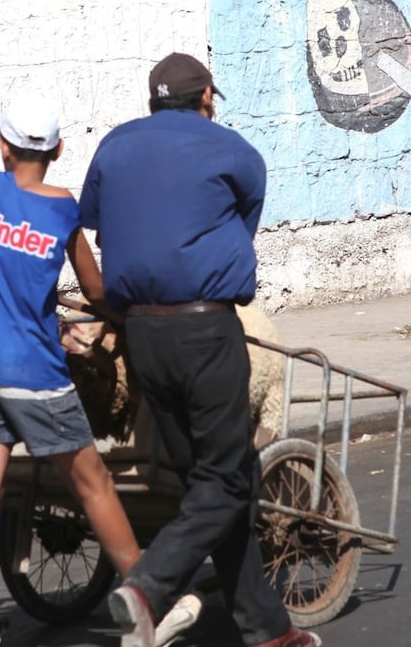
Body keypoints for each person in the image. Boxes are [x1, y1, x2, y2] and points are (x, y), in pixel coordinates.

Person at [80, 52, 322, 647]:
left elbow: (103, 230)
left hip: (143, 333)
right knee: (228, 482)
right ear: (206, 96)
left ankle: (268, 630)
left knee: (209, 482)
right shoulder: (236, 152)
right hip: (206, 330)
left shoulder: (112, 147)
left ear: (153, 100)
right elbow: (239, 233)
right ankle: (145, 587)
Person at [0, 93, 142, 647]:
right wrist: (126, 312)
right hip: (35, 374)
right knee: (94, 485)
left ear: (2, 145)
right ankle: (148, 604)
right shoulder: (64, 208)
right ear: (59, 150)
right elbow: (94, 290)